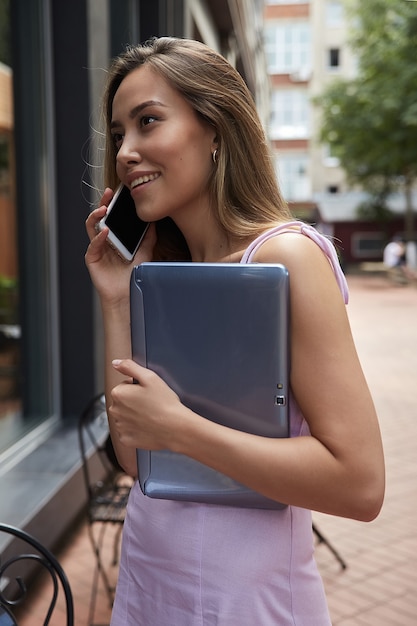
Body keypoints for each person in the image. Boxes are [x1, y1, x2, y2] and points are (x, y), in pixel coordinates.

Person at [85, 37, 385, 626]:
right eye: (120, 133)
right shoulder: (161, 276)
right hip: (150, 582)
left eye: (148, 122)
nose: (126, 151)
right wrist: (118, 300)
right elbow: (135, 457)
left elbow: (360, 483)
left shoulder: (286, 257)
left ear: (216, 128)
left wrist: (184, 430)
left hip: (244, 602)